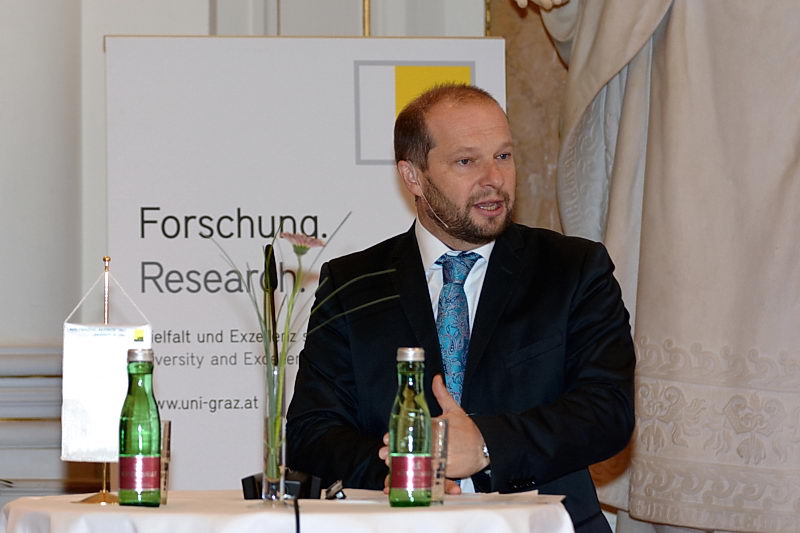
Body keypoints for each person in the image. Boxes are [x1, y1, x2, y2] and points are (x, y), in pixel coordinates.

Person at [286, 84, 635, 532]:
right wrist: (398, 471)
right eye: (466, 161)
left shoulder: (572, 269)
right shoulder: (353, 283)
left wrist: (488, 445)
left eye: (503, 156)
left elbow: (607, 410)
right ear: (413, 176)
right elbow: (312, 431)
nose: (494, 178)